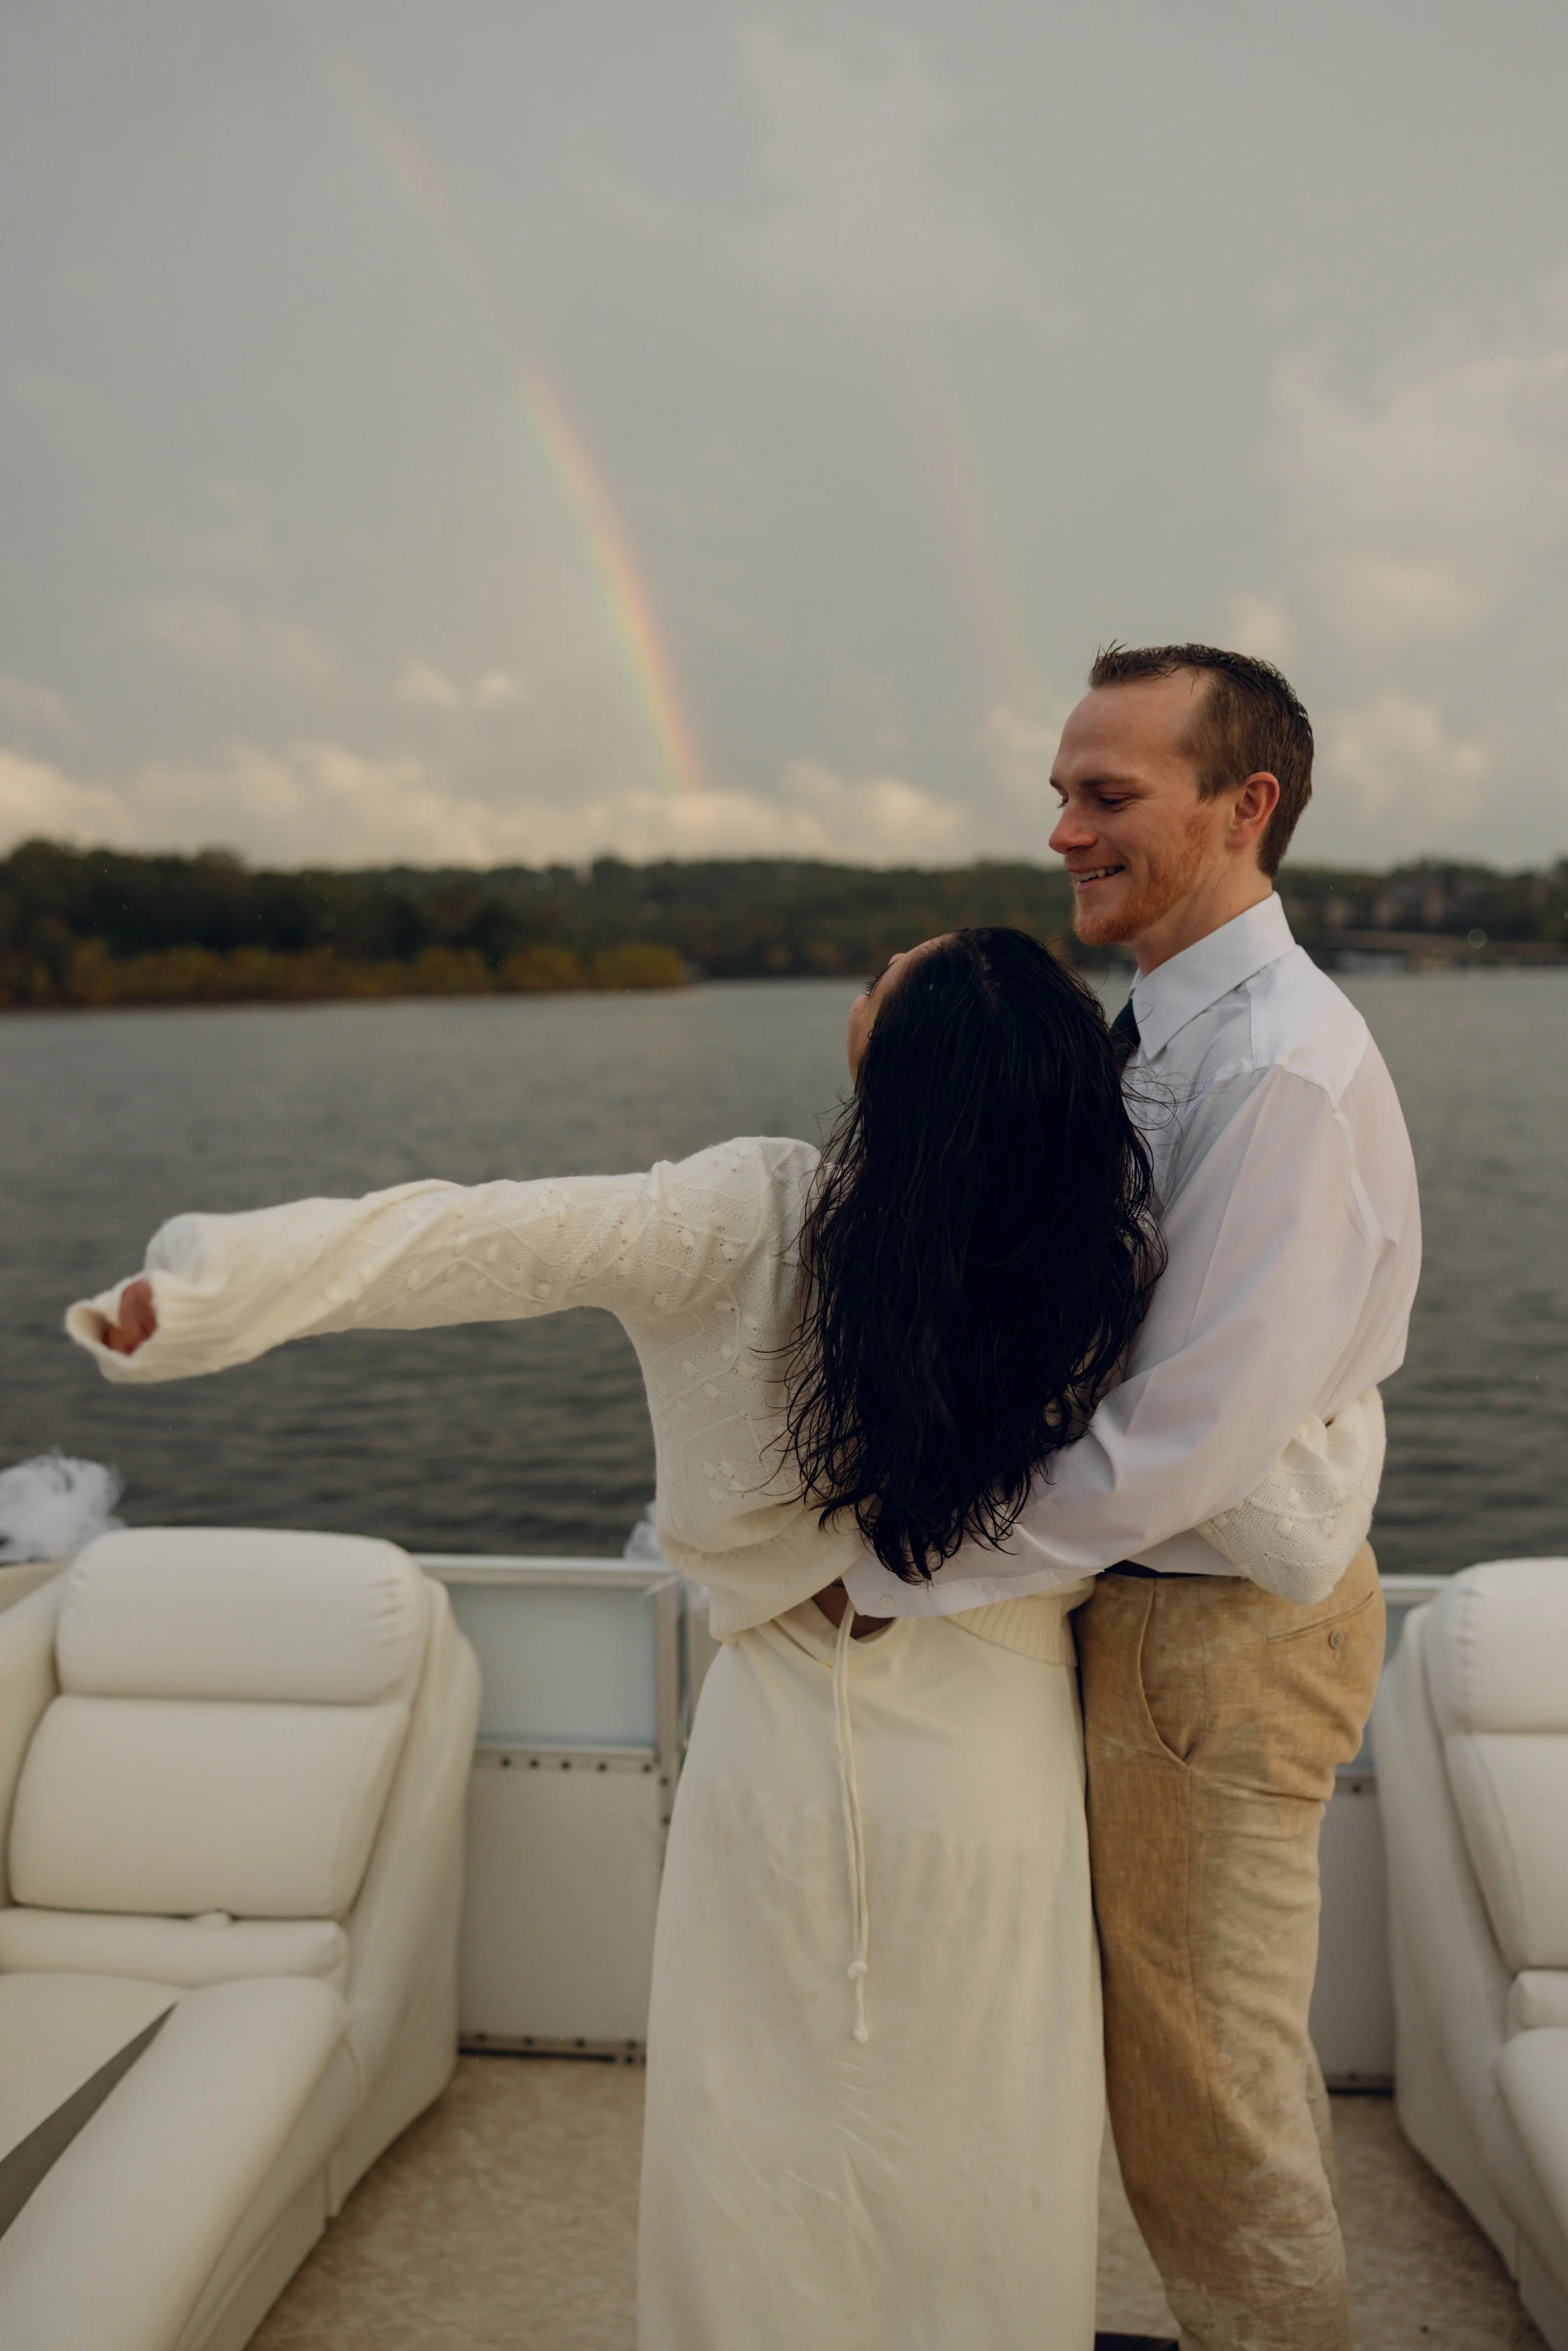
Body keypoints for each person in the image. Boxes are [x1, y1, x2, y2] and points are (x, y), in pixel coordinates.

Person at [69, 925, 1380, 2351]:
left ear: (880, 1061)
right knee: (983, 2144)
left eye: (882, 975)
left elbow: (464, 1233)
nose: (869, 976)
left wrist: (206, 1293)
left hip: (772, 1747)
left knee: (749, 2147)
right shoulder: (1108, 1267)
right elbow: (1296, 1513)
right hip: (991, 1762)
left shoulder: (743, 1210)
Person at [845, 647, 1422, 2351]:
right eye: (1062, 789)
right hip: (1144, 1614)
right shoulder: (1159, 1023)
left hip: (1217, 1633)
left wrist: (900, 1570)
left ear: (1244, 807)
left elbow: (1186, 1436)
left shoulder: (1284, 1072)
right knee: (1148, 2064)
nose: (1061, 829)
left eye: (1107, 794)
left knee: (1204, 2105)